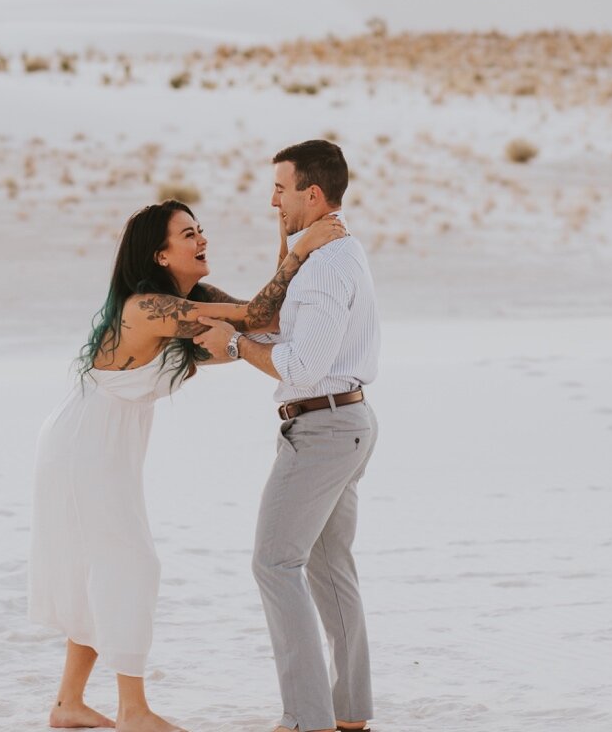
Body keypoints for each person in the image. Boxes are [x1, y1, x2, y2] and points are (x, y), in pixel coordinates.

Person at [28, 198, 346, 732]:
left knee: (97, 565)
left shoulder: (194, 300)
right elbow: (254, 316)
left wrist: (288, 249)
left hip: (111, 445)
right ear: (159, 254)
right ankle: (133, 711)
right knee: (129, 562)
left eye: (201, 230)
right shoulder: (145, 308)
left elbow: (264, 317)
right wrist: (301, 251)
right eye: (188, 234)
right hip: (83, 445)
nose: (202, 240)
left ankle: (68, 704)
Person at [196, 140, 381, 732]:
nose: (272, 199)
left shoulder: (326, 266)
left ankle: (307, 717)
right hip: (344, 424)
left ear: (314, 194)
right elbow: (282, 325)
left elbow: (299, 365)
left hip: (323, 427)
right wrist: (290, 248)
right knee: (329, 568)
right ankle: (349, 714)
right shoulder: (325, 254)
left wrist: (230, 345)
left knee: (275, 563)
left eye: (281, 188)